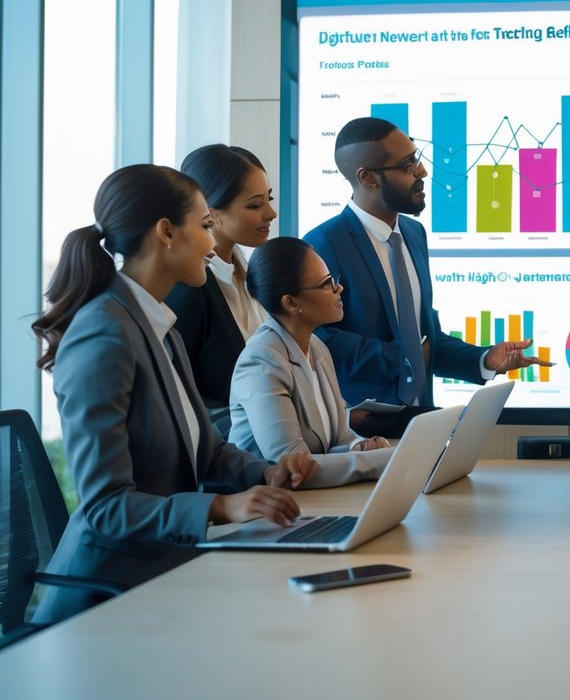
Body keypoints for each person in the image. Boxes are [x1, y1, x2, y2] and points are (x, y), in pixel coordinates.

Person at [30, 165, 317, 623]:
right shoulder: (103, 333)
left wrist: (267, 473)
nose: (212, 245)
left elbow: (207, 452)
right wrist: (221, 506)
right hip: (109, 597)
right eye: (204, 226)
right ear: (166, 232)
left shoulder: (160, 327)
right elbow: (106, 506)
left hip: (168, 571)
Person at [303, 116, 551, 436]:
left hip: (420, 425)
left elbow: (425, 338)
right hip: (360, 435)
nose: (422, 172)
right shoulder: (322, 244)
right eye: (407, 166)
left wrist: (484, 359)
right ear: (368, 178)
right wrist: (404, 358)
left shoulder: (413, 233)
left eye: (417, 159)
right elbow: (317, 340)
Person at [228, 237, 393, 487]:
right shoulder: (262, 359)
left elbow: (339, 438)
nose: (339, 289)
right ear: (291, 303)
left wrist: (360, 446)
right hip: (265, 501)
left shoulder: (317, 347)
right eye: (326, 284)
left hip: (312, 499)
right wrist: (378, 462)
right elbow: (294, 466)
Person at [165, 144, 276, 434]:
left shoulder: (254, 275)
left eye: (269, 199)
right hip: (225, 453)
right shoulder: (187, 290)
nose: (271, 213)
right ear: (210, 213)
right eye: (255, 205)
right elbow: (177, 395)